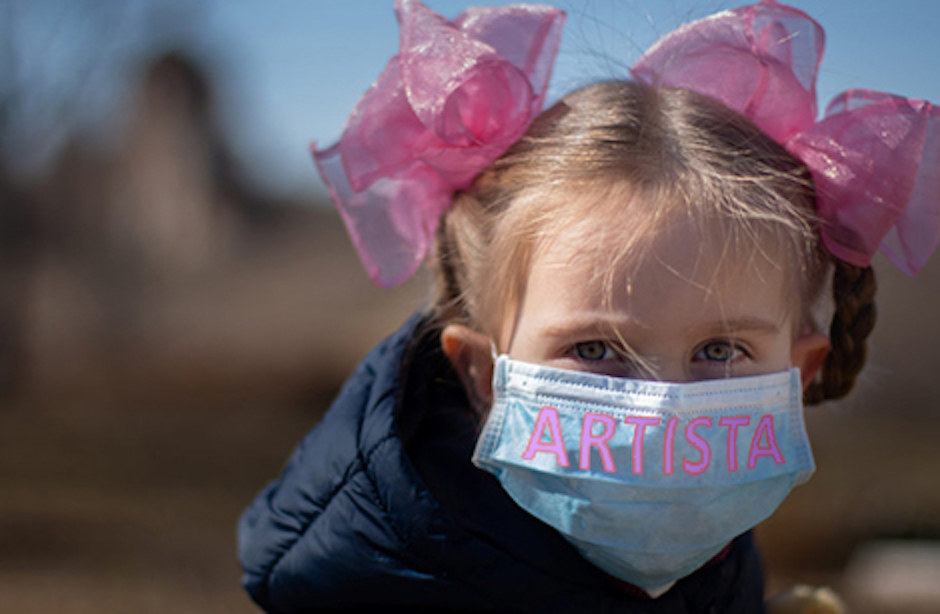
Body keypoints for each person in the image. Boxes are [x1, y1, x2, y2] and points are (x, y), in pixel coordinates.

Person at [237, 1, 939, 612]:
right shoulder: (383, 589)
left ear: (799, 372)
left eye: (720, 350)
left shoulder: (723, 572)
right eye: (596, 348)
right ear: (483, 373)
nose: (659, 410)